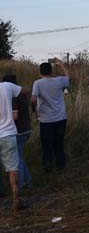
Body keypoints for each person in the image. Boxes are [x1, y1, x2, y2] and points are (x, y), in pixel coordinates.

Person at [31, 59, 70, 172]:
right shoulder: (59, 81)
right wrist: (62, 65)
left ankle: (47, 167)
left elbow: (33, 100)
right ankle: (61, 167)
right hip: (61, 118)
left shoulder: (37, 83)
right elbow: (68, 77)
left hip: (46, 120)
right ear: (52, 71)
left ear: (40, 72)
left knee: (47, 145)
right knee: (59, 144)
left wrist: (35, 113)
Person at [3, 75, 33, 190]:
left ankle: (20, 185)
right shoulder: (22, 94)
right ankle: (27, 182)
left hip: (18, 131)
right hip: (26, 129)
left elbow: (15, 116)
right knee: (20, 157)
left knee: (18, 160)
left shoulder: (13, 97)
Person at [0, 78, 24, 211]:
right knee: (12, 168)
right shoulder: (7, 86)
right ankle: (16, 199)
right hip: (8, 135)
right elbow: (24, 91)